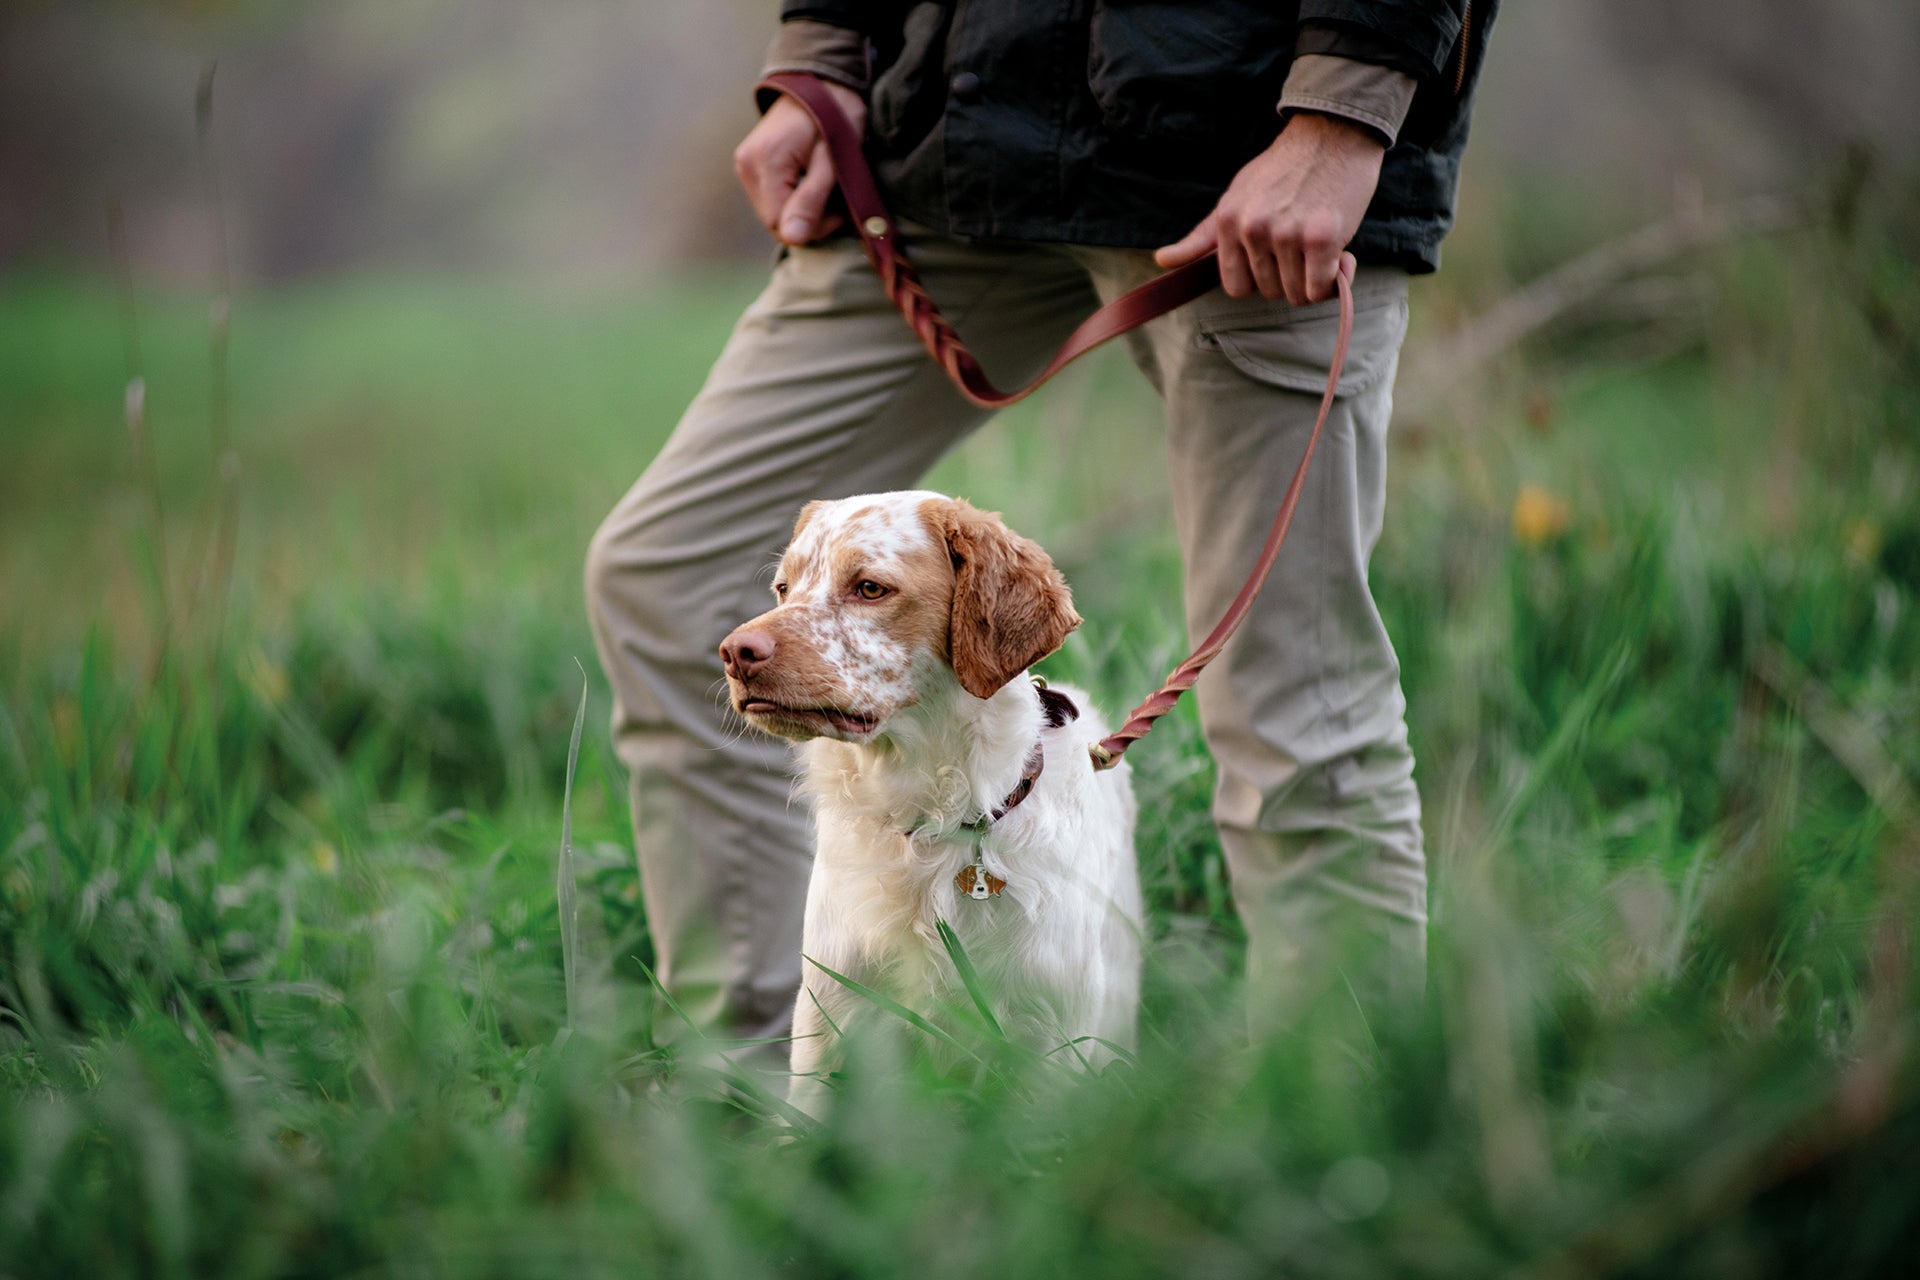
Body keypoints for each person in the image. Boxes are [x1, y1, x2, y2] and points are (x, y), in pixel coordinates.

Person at [586, 0, 1496, 1061]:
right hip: (937, 161)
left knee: (1295, 686)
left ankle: (1352, 1151)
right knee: (668, 568)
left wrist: (1342, 113)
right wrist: (822, 59)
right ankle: (755, 1106)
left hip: (1245, 166)